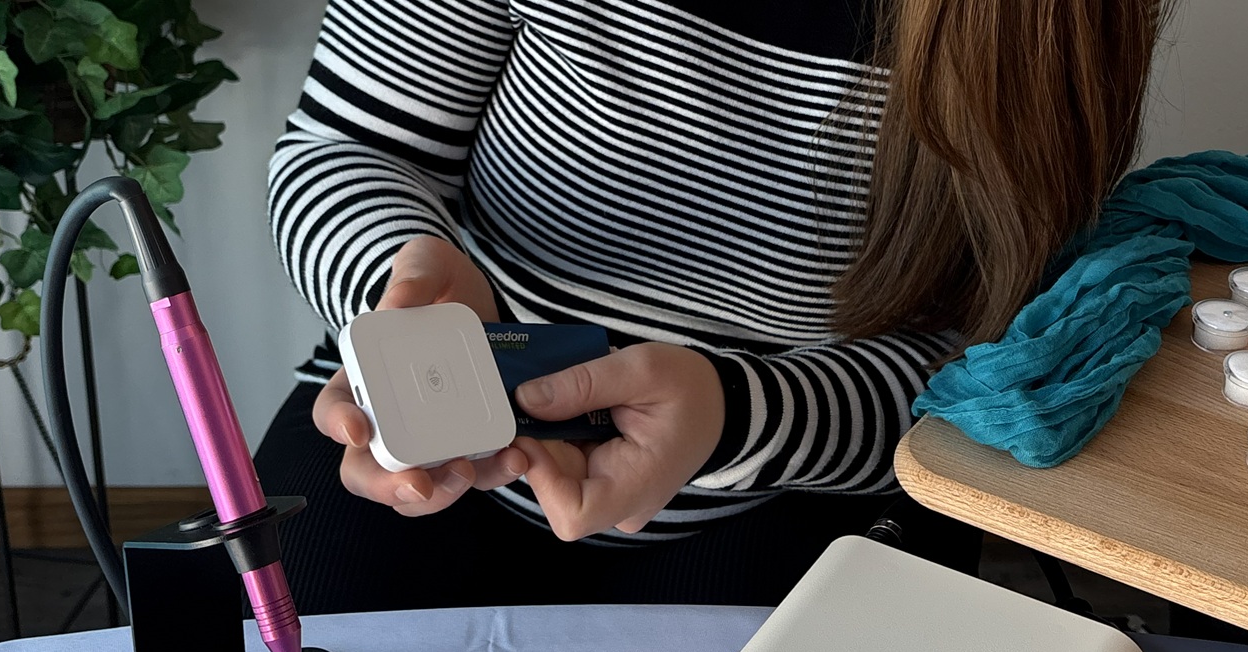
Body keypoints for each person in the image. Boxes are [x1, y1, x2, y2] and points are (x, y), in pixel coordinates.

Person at [256, 0, 1167, 613]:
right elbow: (348, 149)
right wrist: (398, 304)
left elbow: (984, 371)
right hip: (414, 451)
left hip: (788, 491)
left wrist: (736, 416)